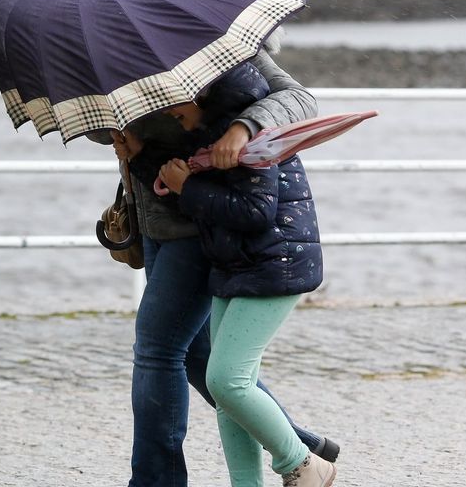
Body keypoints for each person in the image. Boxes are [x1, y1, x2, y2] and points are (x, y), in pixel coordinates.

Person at [106, 44, 338, 487]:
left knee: (168, 354)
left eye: (176, 112)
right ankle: (291, 450)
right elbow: (109, 132)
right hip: (177, 224)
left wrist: (242, 126)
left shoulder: (223, 52)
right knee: (208, 366)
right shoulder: (113, 42)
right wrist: (132, 147)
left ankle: (298, 460)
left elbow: (295, 101)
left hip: (214, 231)